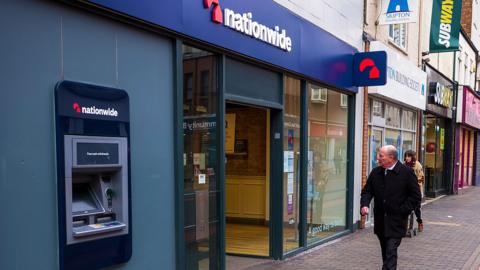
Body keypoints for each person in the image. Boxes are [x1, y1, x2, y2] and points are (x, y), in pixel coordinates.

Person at [361, 145, 421, 270]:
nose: (378, 158)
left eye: (381, 156)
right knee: (386, 252)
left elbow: (415, 197)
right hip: (381, 222)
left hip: (397, 222)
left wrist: (402, 211)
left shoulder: (406, 173)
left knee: (390, 252)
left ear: (391, 157)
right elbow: (367, 191)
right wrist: (365, 205)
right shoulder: (376, 172)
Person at [404, 150, 425, 232]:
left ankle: (420, 222)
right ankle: (406, 226)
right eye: (406, 156)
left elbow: (421, 178)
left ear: (412, 157)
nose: (407, 158)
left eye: (409, 156)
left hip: (416, 191)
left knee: (417, 209)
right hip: (406, 191)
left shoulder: (417, 165)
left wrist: (414, 185)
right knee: (406, 208)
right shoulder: (404, 164)